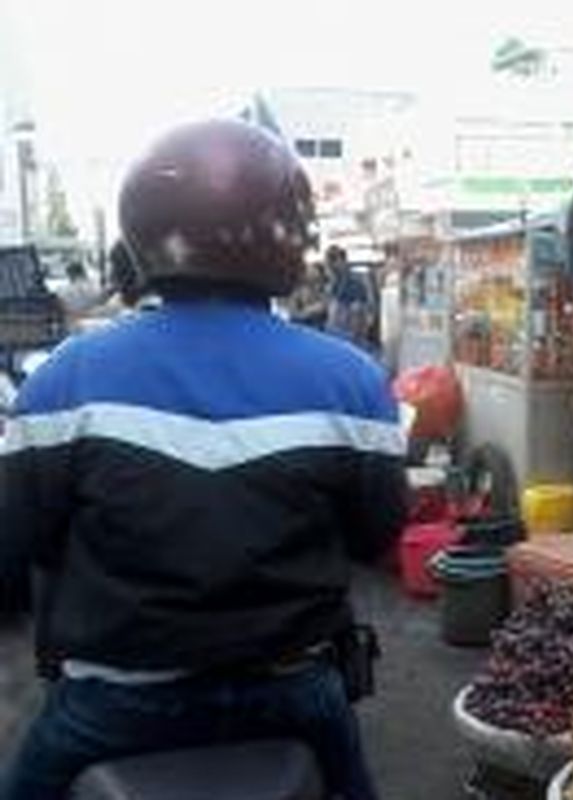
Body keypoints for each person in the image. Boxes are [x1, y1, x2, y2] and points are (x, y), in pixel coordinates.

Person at [0, 119, 403, 800]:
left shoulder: (62, 380)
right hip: (295, 693)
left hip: (113, 706)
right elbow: (376, 535)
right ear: (291, 235)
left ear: (143, 233)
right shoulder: (352, 381)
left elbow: (13, 547)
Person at [324, 245, 375, 351]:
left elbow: (360, 316)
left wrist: (355, 339)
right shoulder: (333, 285)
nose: (331, 265)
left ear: (343, 260)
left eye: (333, 259)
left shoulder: (355, 283)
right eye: (328, 261)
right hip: (336, 338)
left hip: (351, 339)